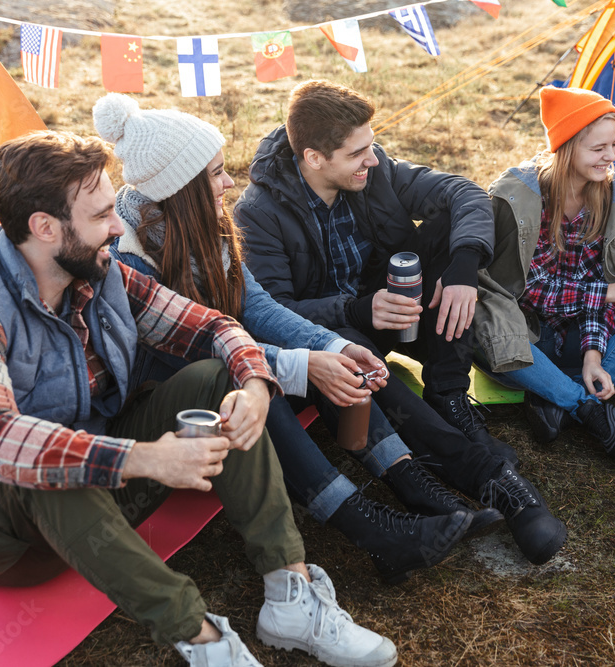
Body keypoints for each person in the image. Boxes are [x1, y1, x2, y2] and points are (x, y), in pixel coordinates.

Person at [0, 131, 399, 667]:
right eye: (102, 215)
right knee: (48, 467)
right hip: (4, 535)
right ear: (45, 227)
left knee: (217, 375)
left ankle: (290, 595)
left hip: (107, 486)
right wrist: (146, 458)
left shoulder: (98, 271)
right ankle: (205, 641)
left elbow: (213, 327)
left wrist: (256, 385)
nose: (117, 227)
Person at [92, 93, 493, 584]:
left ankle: (412, 483)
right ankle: (372, 528)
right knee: (249, 380)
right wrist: (303, 364)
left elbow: (257, 306)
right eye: (216, 174)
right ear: (182, 187)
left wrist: (334, 347)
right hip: (157, 408)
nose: (230, 181)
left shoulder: (205, 226)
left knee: (308, 360)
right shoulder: (129, 258)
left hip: (214, 364)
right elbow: (189, 349)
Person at [235, 80, 567, 565]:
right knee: (349, 348)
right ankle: (496, 482)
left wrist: (462, 268)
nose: (371, 159)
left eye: (371, 146)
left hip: (394, 308)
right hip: (333, 332)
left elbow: (465, 193)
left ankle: (449, 396)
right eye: (357, 153)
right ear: (314, 158)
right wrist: (355, 310)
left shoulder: (375, 170)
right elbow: (272, 314)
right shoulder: (257, 214)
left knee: (450, 234)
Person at [475, 85, 615, 456]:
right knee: (476, 318)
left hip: (576, 338)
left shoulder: (613, 199)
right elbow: (526, 290)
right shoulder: (518, 199)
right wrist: (612, 292)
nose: (612, 156)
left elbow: (602, 284)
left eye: (614, 144)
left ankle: (554, 396)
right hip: (524, 342)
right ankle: (582, 403)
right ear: (567, 148)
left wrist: (593, 356)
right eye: (599, 148)